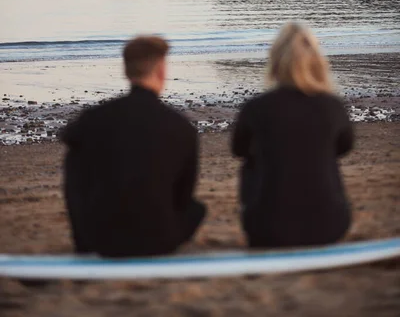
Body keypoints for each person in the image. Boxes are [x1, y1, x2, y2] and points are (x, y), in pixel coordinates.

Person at [61, 36, 206, 257]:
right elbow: (184, 195)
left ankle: (82, 241)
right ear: (161, 71)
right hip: (160, 239)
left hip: (100, 239)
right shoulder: (180, 126)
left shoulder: (95, 118)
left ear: (126, 72)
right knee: (196, 208)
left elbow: (67, 136)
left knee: (75, 156)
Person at [231, 22, 353, 248]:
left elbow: (238, 150)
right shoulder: (333, 106)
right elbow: (344, 148)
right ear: (317, 61)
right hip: (331, 226)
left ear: (276, 62)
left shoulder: (257, 107)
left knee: (250, 163)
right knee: (324, 155)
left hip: (266, 230)